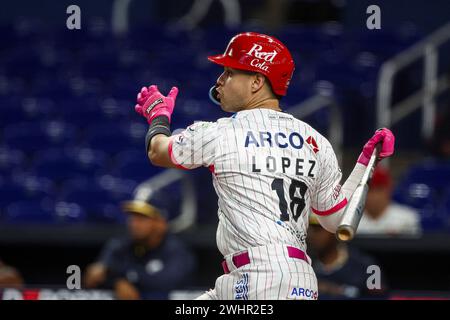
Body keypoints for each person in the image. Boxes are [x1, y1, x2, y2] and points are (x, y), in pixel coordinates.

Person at [134, 32, 395, 300]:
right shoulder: (315, 140)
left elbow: (157, 151)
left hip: (262, 277)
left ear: (257, 81)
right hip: (283, 277)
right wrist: (364, 165)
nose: (219, 81)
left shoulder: (221, 133)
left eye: (229, 72)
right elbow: (335, 219)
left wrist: (158, 115)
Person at [83, 199, 197, 300]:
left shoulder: (176, 251)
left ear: (161, 223)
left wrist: (123, 277)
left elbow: (163, 284)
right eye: (132, 218)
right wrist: (117, 282)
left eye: (142, 219)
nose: (134, 224)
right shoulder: (120, 245)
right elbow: (93, 278)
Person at [307, 214, 388, 299]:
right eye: (308, 229)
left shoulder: (369, 267)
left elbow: (380, 297)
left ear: (335, 230)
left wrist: (332, 290)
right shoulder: (300, 264)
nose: (311, 235)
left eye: (318, 229)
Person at [357, 166, 422, 236]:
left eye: (379, 189)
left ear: (389, 189)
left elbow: (415, 246)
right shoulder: (350, 220)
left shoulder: (407, 218)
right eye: (369, 190)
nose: (373, 195)